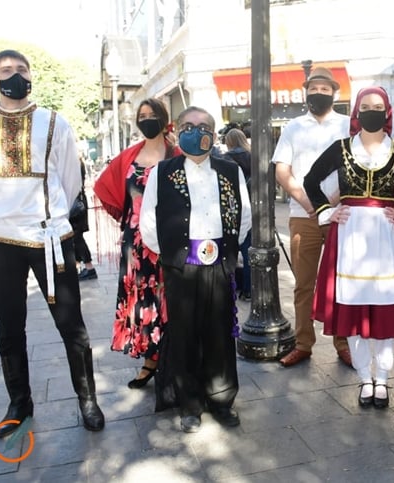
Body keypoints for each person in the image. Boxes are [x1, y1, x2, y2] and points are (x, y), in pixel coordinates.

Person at [0, 49, 104, 437]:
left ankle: (87, 398)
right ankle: (19, 403)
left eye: (21, 70)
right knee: (9, 328)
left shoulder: (54, 122)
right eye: (6, 71)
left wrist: (51, 215)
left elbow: (70, 179)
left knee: (71, 325)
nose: (15, 76)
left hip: (49, 237)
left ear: (31, 76)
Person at [304, 86, 394, 408]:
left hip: (386, 237)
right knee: (353, 309)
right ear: (356, 112)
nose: (371, 111)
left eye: (378, 106)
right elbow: (311, 180)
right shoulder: (340, 148)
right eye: (365, 106)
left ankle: (384, 379)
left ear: (387, 111)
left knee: (385, 307)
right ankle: (365, 378)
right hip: (348, 235)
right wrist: (327, 211)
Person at [140, 106, 251, 432]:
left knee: (219, 334)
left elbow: (243, 216)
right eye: (188, 125)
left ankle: (221, 400)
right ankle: (189, 404)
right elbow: (149, 221)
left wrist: (226, 248)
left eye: (203, 126)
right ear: (176, 131)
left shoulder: (230, 171)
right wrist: (174, 255)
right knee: (186, 335)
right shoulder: (163, 172)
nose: (195, 131)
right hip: (181, 268)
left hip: (219, 265)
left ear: (213, 135)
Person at [94, 98, 181, 391]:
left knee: (169, 297)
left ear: (163, 117)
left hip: (169, 241)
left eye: (152, 114)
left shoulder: (177, 153)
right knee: (142, 299)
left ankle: (171, 354)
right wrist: (127, 215)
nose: (146, 119)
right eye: (141, 116)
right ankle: (150, 358)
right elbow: (105, 187)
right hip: (137, 243)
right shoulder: (129, 156)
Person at [272, 66, 351, 368]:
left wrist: (332, 204)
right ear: (306, 92)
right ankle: (303, 343)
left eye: (324, 89)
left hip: (340, 216)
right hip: (303, 215)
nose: (318, 93)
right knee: (304, 284)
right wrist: (310, 204)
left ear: (334, 92)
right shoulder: (293, 127)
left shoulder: (347, 126)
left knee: (340, 282)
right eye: (313, 89)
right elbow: (283, 171)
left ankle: (342, 343)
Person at [223, 128, 252, 300]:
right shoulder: (252, 157)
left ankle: (231, 288)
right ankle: (248, 289)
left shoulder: (225, 159)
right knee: (249, 252)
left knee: (230, 251)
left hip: (232, 210)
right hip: (253, 209)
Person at [72, 163, 97, 280]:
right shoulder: (76, 161)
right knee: (75, 237)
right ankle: (79, 266)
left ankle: (89, 267)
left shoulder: (73, 162)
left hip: (75, 204)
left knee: (76, 237)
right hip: (77, 203)